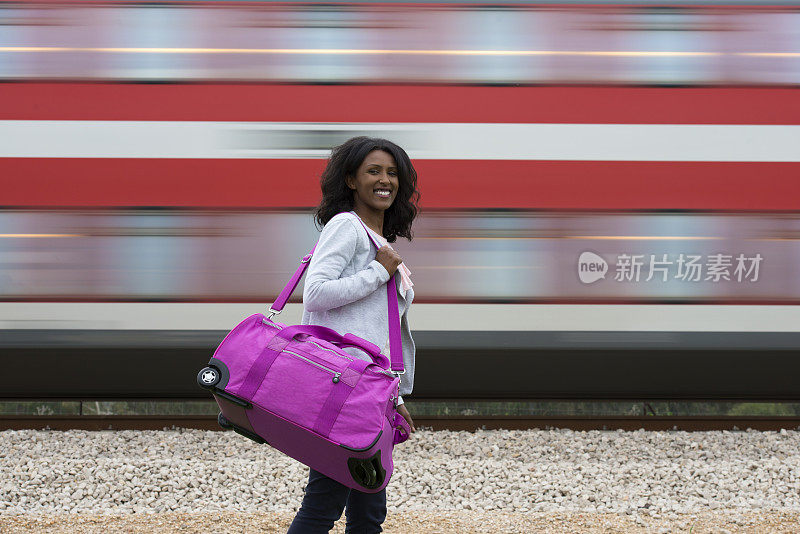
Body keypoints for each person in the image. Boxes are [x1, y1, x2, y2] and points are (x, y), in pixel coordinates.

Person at [286, 136, 420, 534]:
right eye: (374, 171)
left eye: (393, 173)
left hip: (369, 393)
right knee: (325, 504)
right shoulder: (347, 226)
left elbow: (379, 331)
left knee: (368, 512)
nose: (385, 180)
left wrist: (392, 397)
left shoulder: (379, 242)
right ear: (351, 180)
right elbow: (316, 292)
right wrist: (379, 272)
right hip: (344, 389)